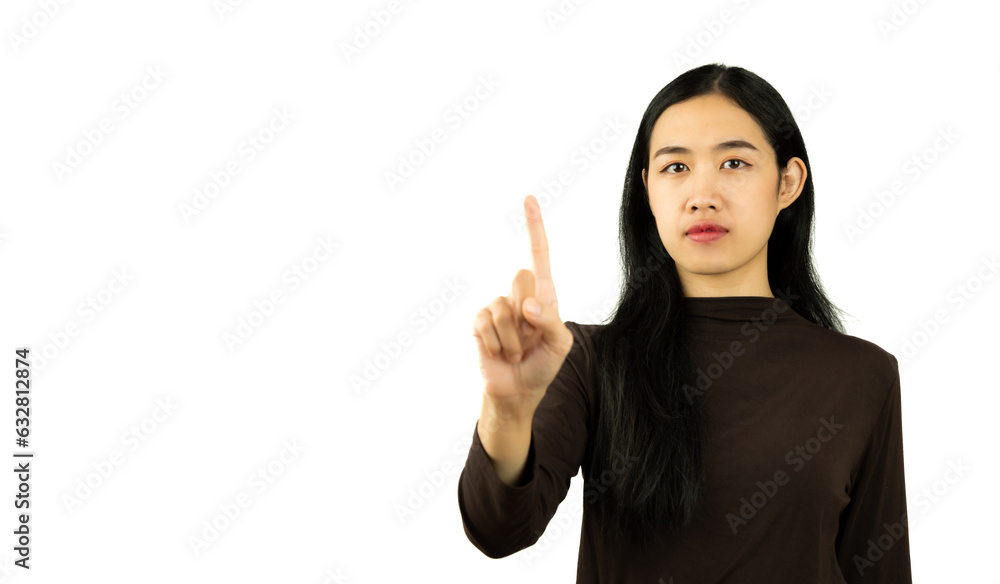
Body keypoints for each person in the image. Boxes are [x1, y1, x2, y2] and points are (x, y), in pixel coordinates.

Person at [459, 62, 912, 583]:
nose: (703, 194)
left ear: (787, 182)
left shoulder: (863, 376)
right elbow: (497, 531)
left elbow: (879, 571)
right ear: (648, 189)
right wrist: (507, 411)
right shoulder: (587, 360)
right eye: (676, 168)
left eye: (735, 163)